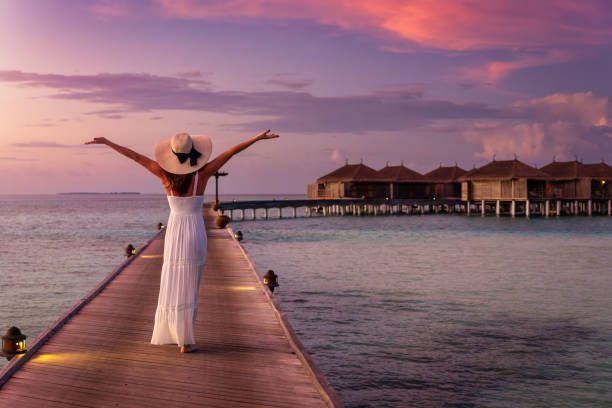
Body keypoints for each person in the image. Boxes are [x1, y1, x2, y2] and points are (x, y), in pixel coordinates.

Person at [85, 129, 279, 352]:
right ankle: (184, 340)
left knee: (173, 278)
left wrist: (108, 142)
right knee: (190, 285)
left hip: (175, 230)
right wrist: (256, 138)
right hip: (195, 229)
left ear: (172, 156)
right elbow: (230, 153)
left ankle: (173, 333)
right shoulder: (203, 175)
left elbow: (135, 157)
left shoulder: (164, 176)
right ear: (194, 152)